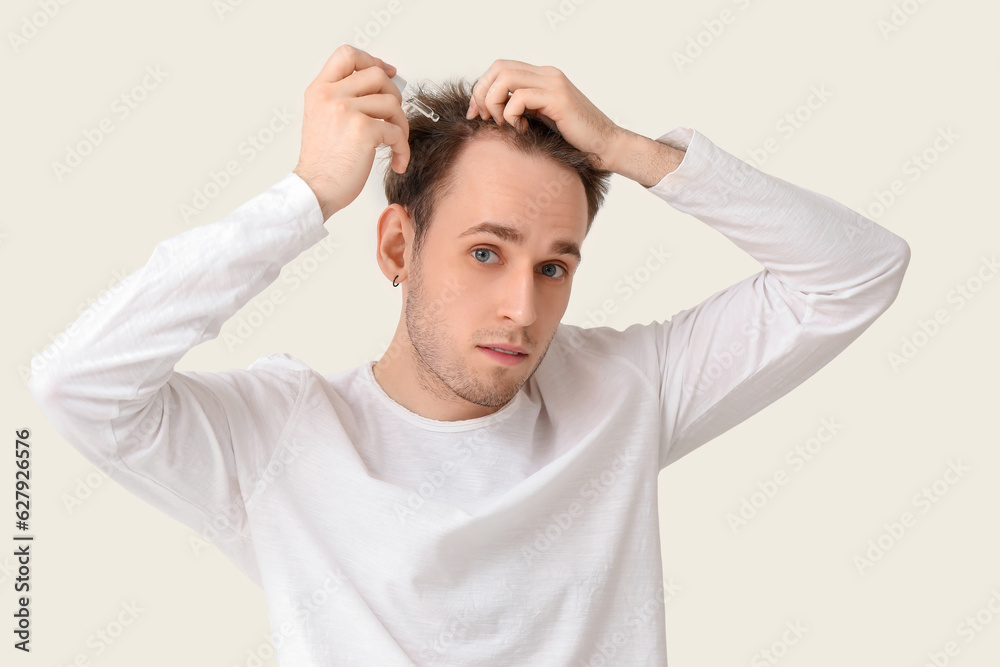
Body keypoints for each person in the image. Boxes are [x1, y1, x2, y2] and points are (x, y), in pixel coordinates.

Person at [29, 44, 910, 666]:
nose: (523, 309)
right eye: (485, 252)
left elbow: (857, 272)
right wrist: (307, 196)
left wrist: (628, 151)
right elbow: (78, 381)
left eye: (554, 265)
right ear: (396, 249)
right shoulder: (281, 437)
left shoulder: (622, 391)